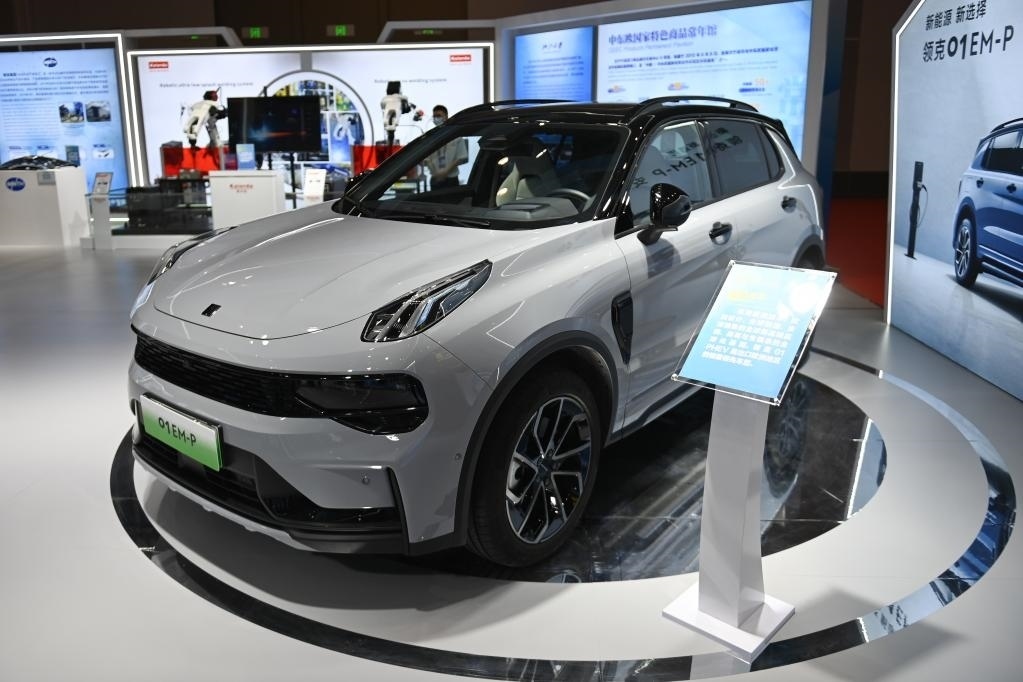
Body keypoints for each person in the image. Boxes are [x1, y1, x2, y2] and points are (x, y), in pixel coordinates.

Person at [423, 105, 468, 190]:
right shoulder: (430, 137)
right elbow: (426, 159)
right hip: (435, 178)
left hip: (452, 178)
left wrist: (445, 172)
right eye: (434, 116)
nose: (436, 118)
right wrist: (436, 173)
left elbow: (461, 157)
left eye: (439, 116)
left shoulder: (456, 135)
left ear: (446, 117)